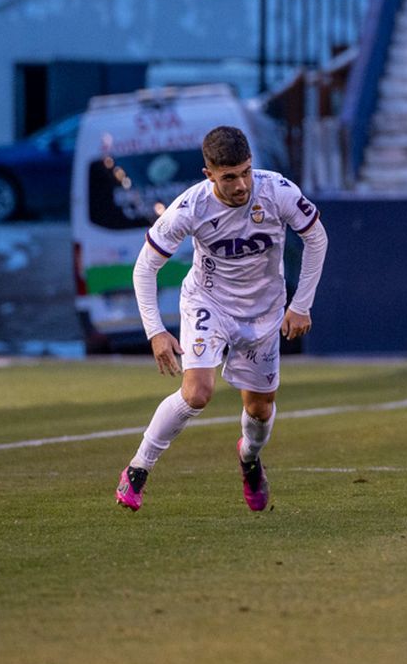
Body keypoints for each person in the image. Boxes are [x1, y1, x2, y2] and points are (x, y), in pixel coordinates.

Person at [115, 126, 328, 513]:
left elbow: (317, 238)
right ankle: (137, 470)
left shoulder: (277, 191)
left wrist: (301, 305)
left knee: (260, 410)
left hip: (264, 311)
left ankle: (248, 460)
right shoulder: (190, 207)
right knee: (197, 392)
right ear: (209, 174)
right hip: (208, 303)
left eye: (246, 172)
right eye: (229, 177)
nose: (241, 184)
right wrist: (156, 332)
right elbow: (144, 268)